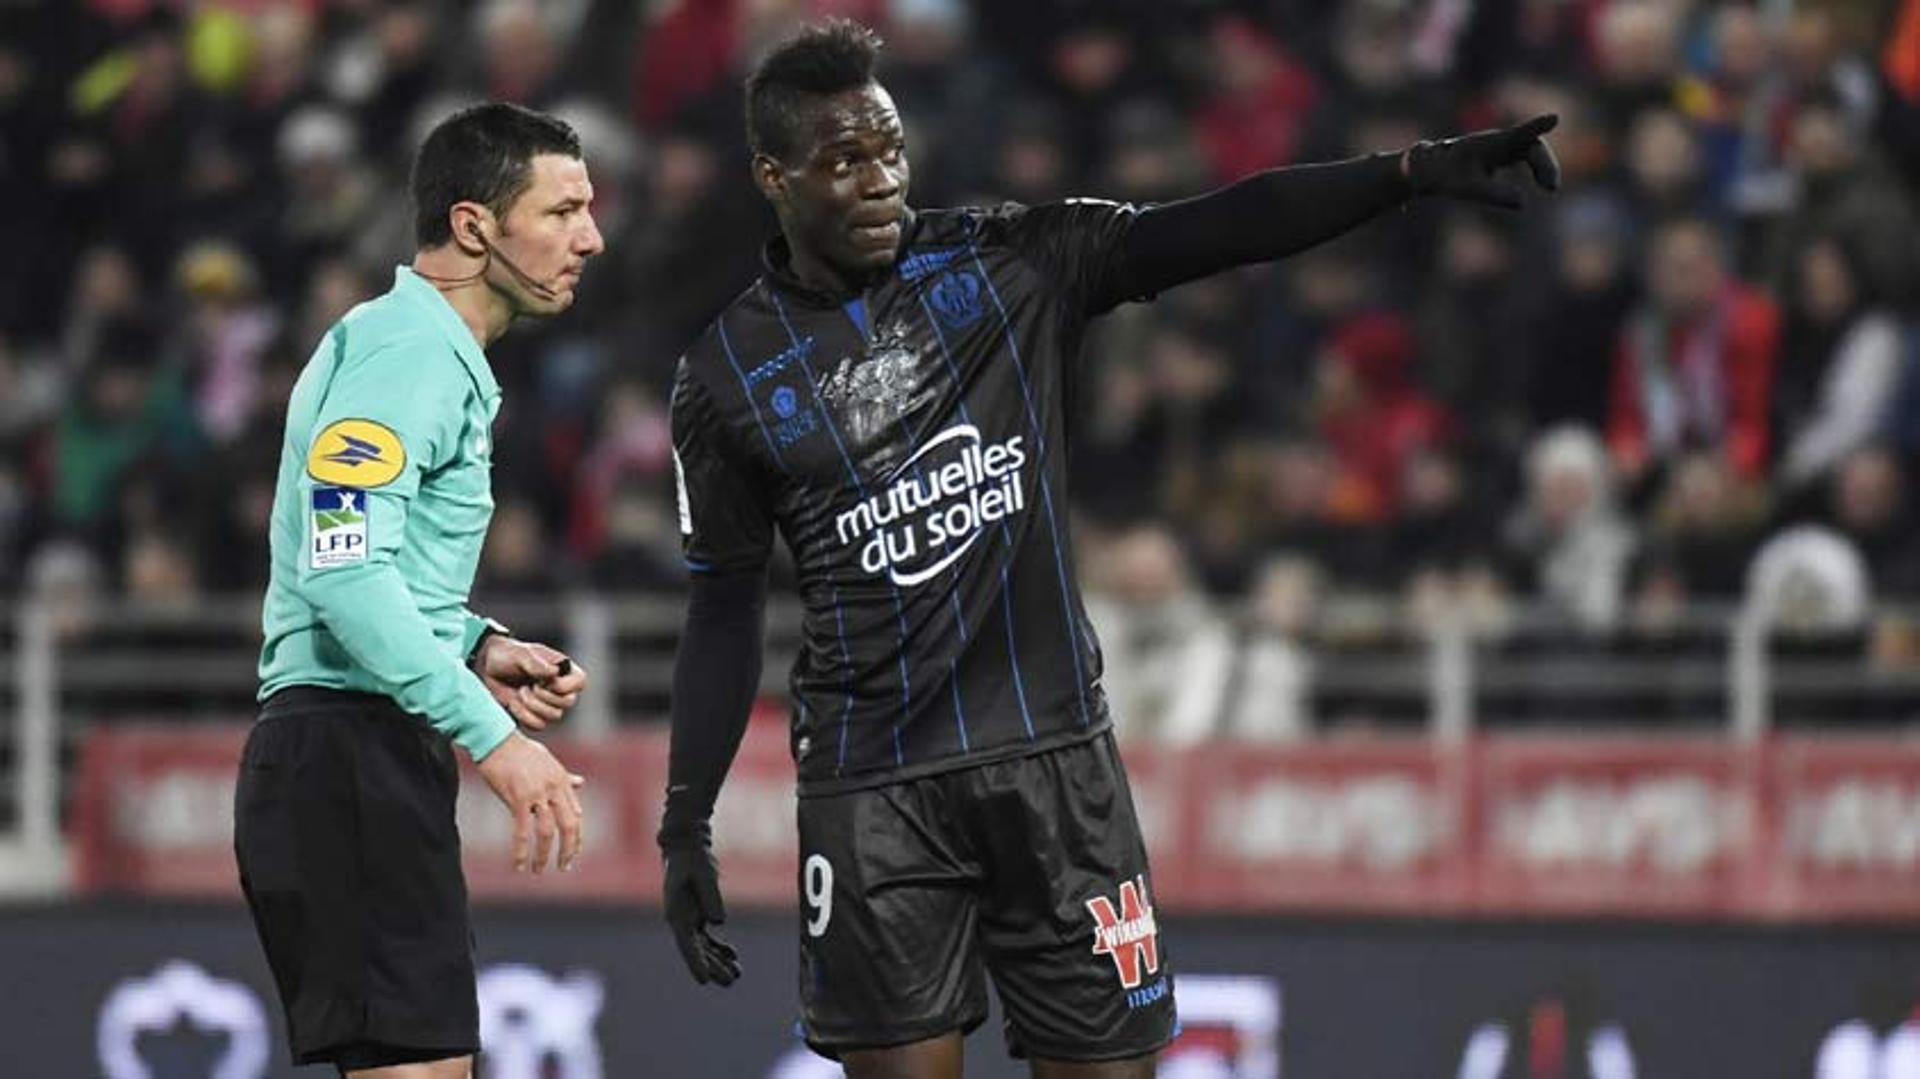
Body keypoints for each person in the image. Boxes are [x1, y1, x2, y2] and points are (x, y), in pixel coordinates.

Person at [658, 20, 1557, 1078]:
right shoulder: (723, 379)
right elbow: (722, 606)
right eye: (843, 160)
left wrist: (1405, 172)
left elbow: (1219, 227)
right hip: (872, 790)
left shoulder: (1006, 262)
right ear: (773, 174)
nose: (879, 181)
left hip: (1055, 765)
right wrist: (685, 818)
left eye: (890, 150)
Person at [234, 101, 603, 1078]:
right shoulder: (409, 356)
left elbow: (363, 557)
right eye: (562, 210)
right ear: (475, 226)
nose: (591, 237)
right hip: (349, 750)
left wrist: (472, 641)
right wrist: (495, 737)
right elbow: (344, 572)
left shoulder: (413, 349)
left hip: (355, 747)